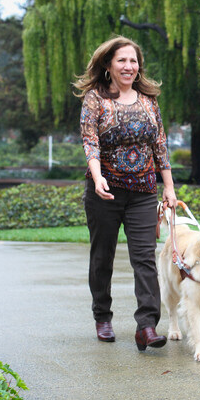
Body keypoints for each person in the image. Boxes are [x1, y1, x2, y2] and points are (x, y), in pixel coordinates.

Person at [73, 36, 177, 351]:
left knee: (144, 259)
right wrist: (97, 176)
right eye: (122, 60)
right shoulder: (95, 99)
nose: (129, 66)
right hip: (105, 192)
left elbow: (159, 144)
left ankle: (147, 326)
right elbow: (89, 140)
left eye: (133, 61)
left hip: (143, 192)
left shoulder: (148, 101)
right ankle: (102, 316)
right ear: (108, 64)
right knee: (102, 256)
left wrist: (169, 187)